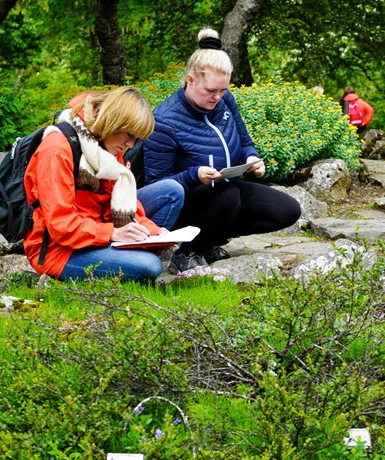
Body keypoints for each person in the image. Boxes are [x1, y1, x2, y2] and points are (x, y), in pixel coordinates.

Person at [143, 28, 302, 274]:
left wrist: (252, 158)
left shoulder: (225, 100)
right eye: (210, 91)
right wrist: (194, 175)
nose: (217, 97)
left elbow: (246, 141)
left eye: (223, 90)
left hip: (226, 193)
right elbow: (158, 187)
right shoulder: (164, 120)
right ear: (191, 79)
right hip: (188, 205)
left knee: (287, 210)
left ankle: (208, 240)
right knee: (228, 196)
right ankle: (186, 252)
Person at [24, 86, 184, 282]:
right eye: (129, 135)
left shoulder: (105, 145)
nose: (131, 145)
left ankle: (132, 256)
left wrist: (156, 233)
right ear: (113, 122)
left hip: (97, 233)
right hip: (59, 250)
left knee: (171, 192)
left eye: (136, 139)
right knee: (150, 265)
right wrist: (113, 233)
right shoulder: (57, 148)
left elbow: (120, 209)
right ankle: (134, 260)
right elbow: (61, 224)